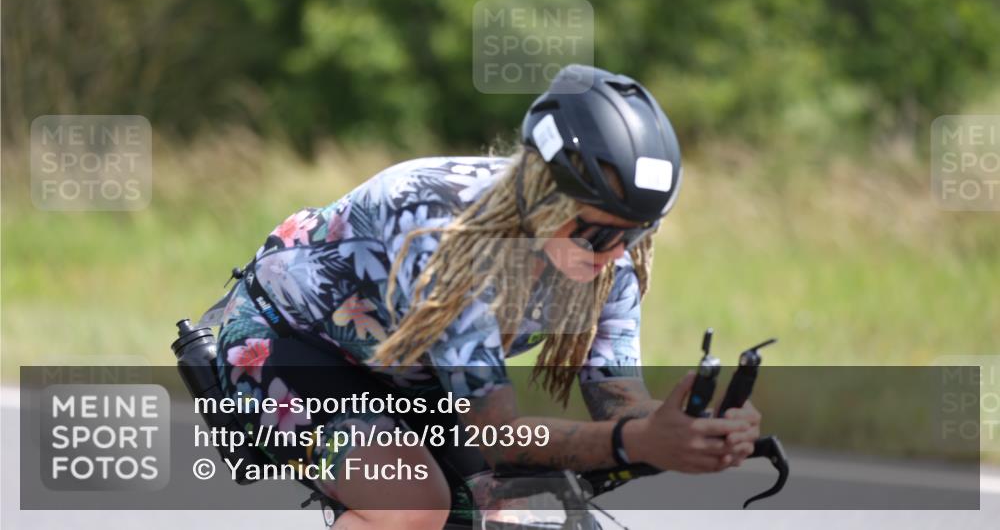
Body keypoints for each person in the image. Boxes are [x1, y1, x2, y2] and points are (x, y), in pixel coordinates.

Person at [214, 64, 761, 529]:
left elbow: (618, 403)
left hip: (412, 378)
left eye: (635, 234)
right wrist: (639, 440)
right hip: (288, 347)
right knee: (415, 503)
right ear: (542, 191)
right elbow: (500, 438)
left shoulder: (609, 261)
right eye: (595, 232)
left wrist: (691, 424)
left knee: (526, 514)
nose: (613, 252)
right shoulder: (437, 226)